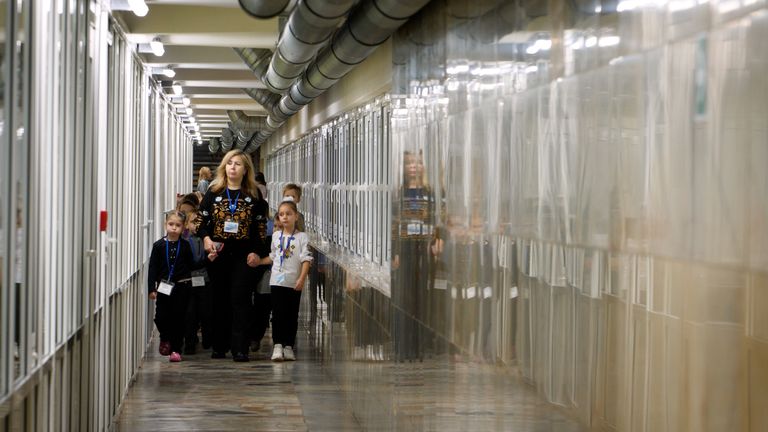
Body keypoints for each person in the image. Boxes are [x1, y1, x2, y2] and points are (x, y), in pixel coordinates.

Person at [198, 149, 270, 362]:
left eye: (238, 164)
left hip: (243, 253)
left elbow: (260, 228)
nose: (233, 167)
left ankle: (240, 347)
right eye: (230, 163)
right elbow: (201, 223)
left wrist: (256, 252)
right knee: (219, 300)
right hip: (218, 253)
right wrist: (206, 240)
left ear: (245, 168)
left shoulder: (253, 195)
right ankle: (220, 346)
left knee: (240, 300)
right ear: (224, 167)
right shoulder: (214, 192)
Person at [391, 150, 436, 361]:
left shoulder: (430, 192)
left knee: (422, 297)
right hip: (405, 248)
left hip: (424, 248)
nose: (413, 166)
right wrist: (395, 251)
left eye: (417, 162)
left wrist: (438, 239)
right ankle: (404, 344)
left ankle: (419, 346)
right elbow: (393, 224)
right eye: (409, 163)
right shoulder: (399, 192)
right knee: (405, 296)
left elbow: (437, 219)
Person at [148, 211, 205, 362]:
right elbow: (152, 268)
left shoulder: (185, 245)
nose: (174, 228)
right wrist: (151, 288)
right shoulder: (159, 246)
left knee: (179, 319)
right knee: (161, 316)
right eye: (171, 224)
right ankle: (165, 338)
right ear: (165, 225)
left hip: (182, 287)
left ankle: (175, 349)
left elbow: (192, 265)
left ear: (184, 227)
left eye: (178, 225)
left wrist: (208, 260)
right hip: (163, 286)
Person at [260, 199, 313, 361]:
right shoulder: (276, 236)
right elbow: (273, 257)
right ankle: (278, 345)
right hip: (277, 281)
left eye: (288, 214)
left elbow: (306, 260)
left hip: (293, 282)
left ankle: (288, 345)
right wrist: (259, 261)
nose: (285, 217)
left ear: (296, 216)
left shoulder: (302, 237)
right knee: (277, 314)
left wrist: (301, 279)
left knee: (291, 314)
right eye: (281, 214)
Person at [183, 210, 212, 354]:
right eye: (193, 222)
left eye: (199, 222)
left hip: (205, 281)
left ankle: (208, 339)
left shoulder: (207, 240)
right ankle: (190, 342)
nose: (196, 225)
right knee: (190, 313)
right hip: (189, 282)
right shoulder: (184, 242)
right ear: (187, 225)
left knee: (206, 311)